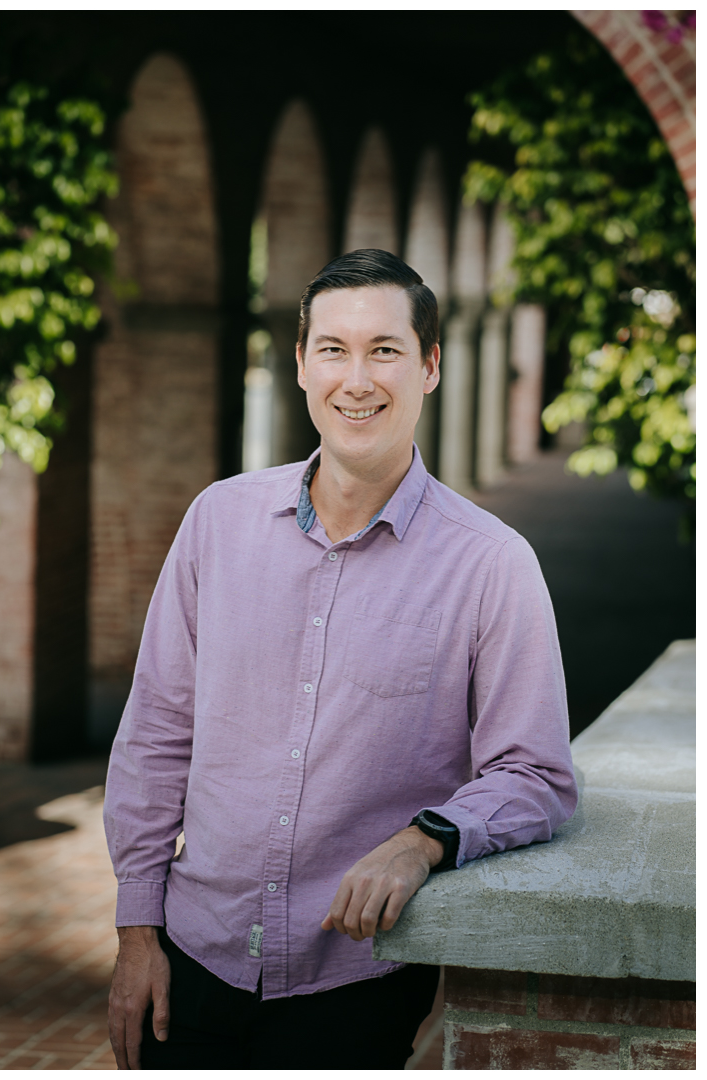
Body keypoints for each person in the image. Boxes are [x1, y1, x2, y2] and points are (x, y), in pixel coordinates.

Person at [104, 248, 577, 1070]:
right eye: (334, 349)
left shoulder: (493, 565)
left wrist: (425, 839)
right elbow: (155, 736)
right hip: (191, 964)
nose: (357, 380)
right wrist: (136, 935)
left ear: (429, 366)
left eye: (385, 350)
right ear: (299, 365)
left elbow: (536, 774)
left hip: (359, 993)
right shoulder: (216, 522)